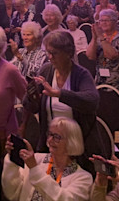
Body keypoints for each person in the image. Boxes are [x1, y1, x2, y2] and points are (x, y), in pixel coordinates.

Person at [23, 30, 100, 160]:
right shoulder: (46, 70)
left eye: (54, 53)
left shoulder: (81, 74)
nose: (50, 57)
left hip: (78, 148)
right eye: (48, 52)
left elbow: (92, 101)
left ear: (68, 53)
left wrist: (59, 94)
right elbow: (31, 107)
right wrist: (32, 95)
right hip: (51, 146)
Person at [3, 117, 93, 201]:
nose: (50, 140)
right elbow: (12, 194)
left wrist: (34, 169)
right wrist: (12, 160)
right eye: (50, 134)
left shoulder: (83, 178)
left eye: (56, 137)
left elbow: (64, 198)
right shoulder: (35, 159)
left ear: (71, 141)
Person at [86, 9, 119, 93]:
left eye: (107, 20)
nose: (104, 23)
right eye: (101, 20)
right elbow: (90, 56)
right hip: (101, 82)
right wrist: (94, 38)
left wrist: (101, 37)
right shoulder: (99, 38)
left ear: (115, 22)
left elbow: (112, 55)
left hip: (118, 83)